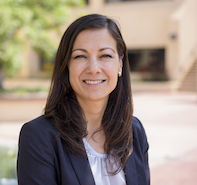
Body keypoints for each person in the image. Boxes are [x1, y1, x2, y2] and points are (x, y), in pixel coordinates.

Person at [17, 14, 150, 185]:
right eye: (80, 56)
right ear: (67, 66)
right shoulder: (39, 136)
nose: (93, 68)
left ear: (120, 64)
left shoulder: (134, 130)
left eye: (105, 56)